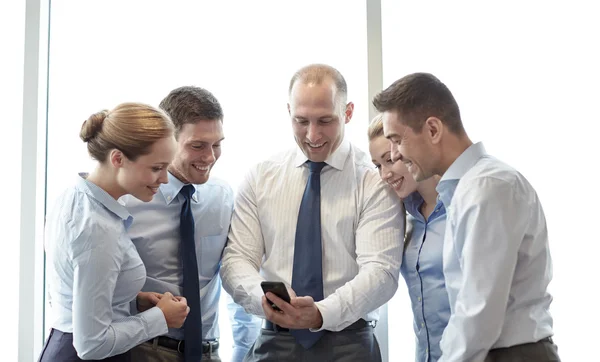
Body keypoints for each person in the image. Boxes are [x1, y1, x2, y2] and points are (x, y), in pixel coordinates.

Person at [220, 64, 404, 362]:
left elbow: (381, 271)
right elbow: (236, 259)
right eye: (301, 120)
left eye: (325, 120)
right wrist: (263, 299)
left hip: (349, 342)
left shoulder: (373, 180)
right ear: (289, 111)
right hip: (275, 338)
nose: (312, 134)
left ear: (348, 112)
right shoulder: (260, 177)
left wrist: (321, 313)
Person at [373, 72, 560, 362]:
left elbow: (478, 311)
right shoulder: (467, 188)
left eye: (397, 141)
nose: (395, 156)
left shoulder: (487, 187)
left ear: (433, 129)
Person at [40, 103, 189, 361]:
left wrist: (132, 301)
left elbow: (75, 288)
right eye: (156, 168)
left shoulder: (74, 197)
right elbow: (91, 345)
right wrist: (159, 318)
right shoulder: (97, 228)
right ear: (117, 158)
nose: (165, 179)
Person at [121, 86, 260, 362]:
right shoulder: (128, 201)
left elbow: (235, 274)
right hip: (144, 350)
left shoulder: (222, 197)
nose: (209, 157)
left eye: (217, 144)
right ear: (166, 139)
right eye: (197, 145)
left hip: (210, 353)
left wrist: (244, 351)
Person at [368, 114, 449, 362]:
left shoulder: (462, 207)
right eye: (377, 165)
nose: (384, 174)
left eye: (390, 160)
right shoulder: (405, 216)